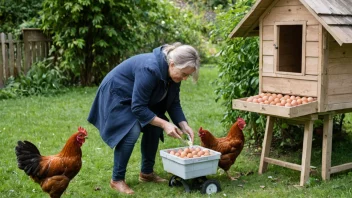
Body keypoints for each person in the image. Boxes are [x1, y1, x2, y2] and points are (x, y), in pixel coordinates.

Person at [87, 42, 200, 195]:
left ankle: (146, 173)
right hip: (117, 95)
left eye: (187, 75)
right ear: (172, 64)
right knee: (131, 130)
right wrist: (165, 124)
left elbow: (173, 102)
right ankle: (117, 179)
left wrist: (183, 124)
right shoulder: (150, 69)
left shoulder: (173, 74)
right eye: (184, 74)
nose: (185, 78)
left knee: (155, 124)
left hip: (136, 99)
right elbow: (138, 107)